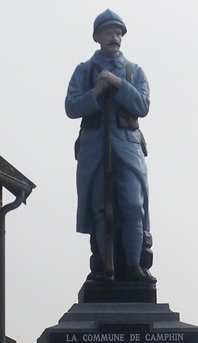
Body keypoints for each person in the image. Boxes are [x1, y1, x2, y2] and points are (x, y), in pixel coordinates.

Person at [65, 9, 155, 283]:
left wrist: (117, 83)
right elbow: (71, 106)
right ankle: (105, 267)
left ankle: (133, 267)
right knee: (101, 207)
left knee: (132, 204)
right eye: (108, 32)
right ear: (97, 37)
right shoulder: (85, 70)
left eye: (118, 33)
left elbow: (142, 105)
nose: (114, 37)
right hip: (94, 147)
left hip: (127, 146)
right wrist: (97, 91)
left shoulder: (134, 71)